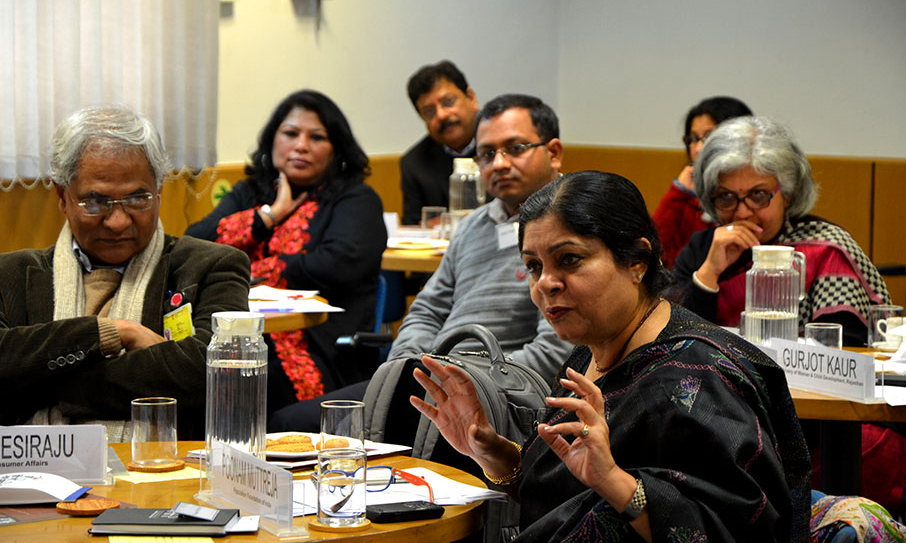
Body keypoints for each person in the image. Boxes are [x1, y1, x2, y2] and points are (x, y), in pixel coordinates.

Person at [410, 170, 811, 543]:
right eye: (534, 266)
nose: (546, 283)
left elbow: (740, 540)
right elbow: (563, 498)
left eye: (569, 259)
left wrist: (615, 483)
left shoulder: (700, 376)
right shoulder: (591, 351)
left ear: (637, 260)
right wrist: (494, 455)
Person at [269, 93, 572, 431]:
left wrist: (465, 381)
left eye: (515, 148)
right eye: (487, 153)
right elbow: (427, 311)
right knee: (288, 424)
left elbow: (555, 351)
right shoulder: (473, 226)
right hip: (432, 384)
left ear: (554, 153)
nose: (498, 163)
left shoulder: (571, 228)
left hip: (502, 395)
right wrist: (408, 370)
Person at [0, 105, 251, 440]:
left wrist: (50, 380)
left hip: (162, 475)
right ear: (62, 196)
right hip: (25, 482)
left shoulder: (210, 266)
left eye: (137, 199)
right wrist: (113, 332)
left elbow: (214, 373)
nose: (117, 222)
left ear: (159, 190)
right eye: (95, 202)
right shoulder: (12, 274)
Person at [185, 90, 386, 411]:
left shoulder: (355, 200)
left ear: (337, 149)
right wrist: (271, 214)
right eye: (291, 133)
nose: (301, 145)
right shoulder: (249, 193)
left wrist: (248, 272)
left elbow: (337, 263)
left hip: (317, 350)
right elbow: (194, 244)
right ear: (272, 140)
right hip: (233, 340)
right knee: (192, 377)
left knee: (241, 384)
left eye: (317, 137)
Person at [672, 116, 890, 346]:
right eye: (727, 197)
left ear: (787, 194)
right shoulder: (703, 248)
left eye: (758, 196)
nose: (743, 213)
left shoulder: (824, 248)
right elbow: (672, 342)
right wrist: (708, 274)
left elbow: (845, 349)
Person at [652, 96, 753, 268]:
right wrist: (677, 194)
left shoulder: (752, 196)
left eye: (709, 137)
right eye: (693, 139)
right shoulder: (685, 195)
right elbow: (654, 253)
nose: (698, 149)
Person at [400, 60, 479, 225]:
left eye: (448, 102)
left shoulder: (502, 144)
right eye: (429, 111)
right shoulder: (414, 164)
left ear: (471, 98)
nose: (441, 115)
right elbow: (413, 228)